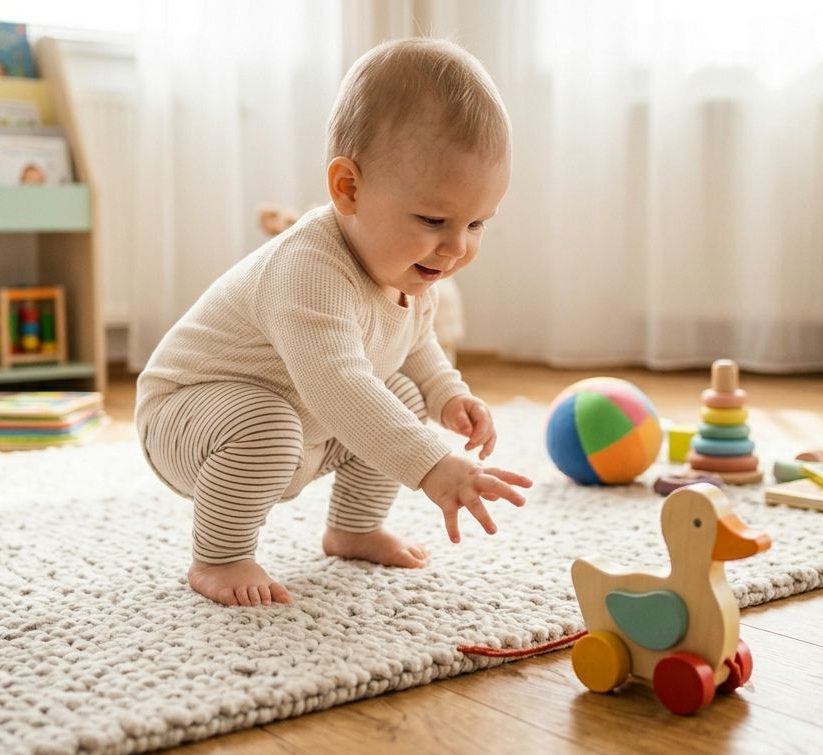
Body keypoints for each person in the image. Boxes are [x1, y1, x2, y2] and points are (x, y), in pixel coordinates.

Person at [136, 38, 532, 607]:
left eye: (477, 225)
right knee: (275, 424)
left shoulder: (406, 263)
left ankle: (353, 528)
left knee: (400, 391)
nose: (455, 247)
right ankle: (219, 556)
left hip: (296, 421)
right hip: (190, 416)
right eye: (434, 219)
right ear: (348, 188)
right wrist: (431, 466)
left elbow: (414, 341)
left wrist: (448, 395)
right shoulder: (309, 269)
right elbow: (338, 386)